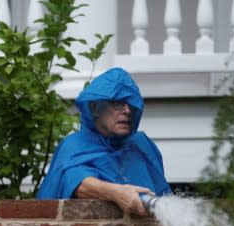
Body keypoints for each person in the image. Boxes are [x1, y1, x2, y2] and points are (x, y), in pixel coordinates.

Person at [36, 67, 172, 215]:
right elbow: (77, 182)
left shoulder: (142, 144)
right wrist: (118, 193)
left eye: (131, 104)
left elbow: (163, 194)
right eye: (118, 103)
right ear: (94, 108)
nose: (127, 111)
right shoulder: (74, 145)